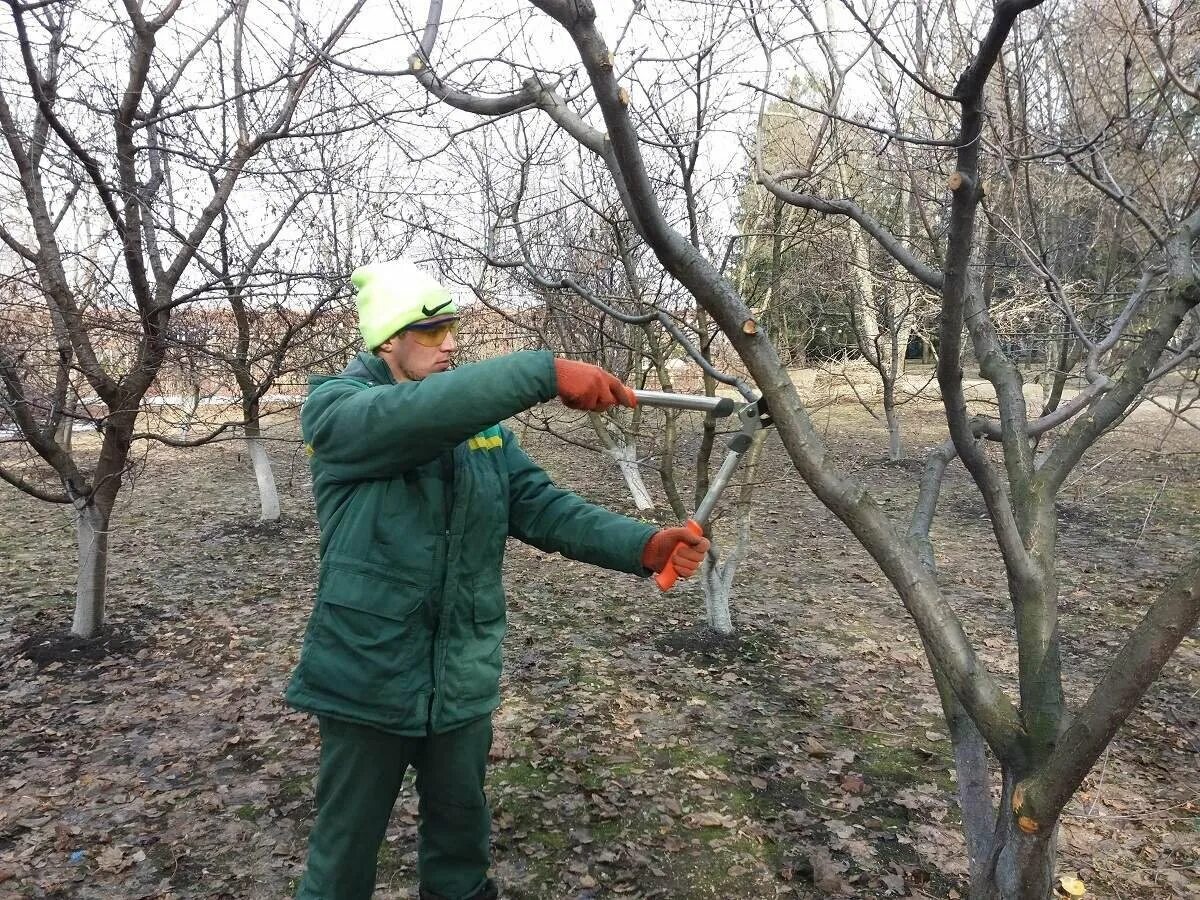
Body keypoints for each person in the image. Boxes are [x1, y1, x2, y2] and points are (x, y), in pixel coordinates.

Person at [287, 259, 710, 900]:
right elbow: (412, 418)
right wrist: (541, 373)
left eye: (452, 328)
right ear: (386, 340)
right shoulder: (338, 412)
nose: (450, 342)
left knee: (461, 845)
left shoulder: (478, 430)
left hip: (462, 672)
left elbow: (538, 505)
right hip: (366, 675)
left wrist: (645, 546)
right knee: (343, 859)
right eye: (431, 331)